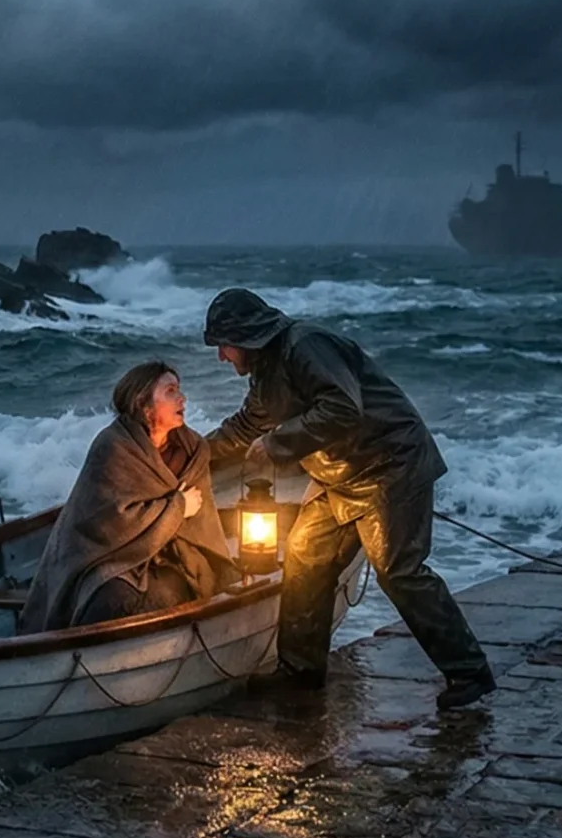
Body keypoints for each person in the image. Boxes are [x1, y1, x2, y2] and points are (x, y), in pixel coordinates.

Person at [200, 287, 497, 709]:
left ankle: (469, 672)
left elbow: (343, 408)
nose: (222, 357)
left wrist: (278, 443)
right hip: (340, 478)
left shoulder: (306, 346)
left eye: (224, 346)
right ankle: (300, 671)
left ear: (245, 336)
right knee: (305, 555)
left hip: (391, 465)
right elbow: (245, 426)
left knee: (399, 571)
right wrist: (193, 455)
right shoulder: (264, 375)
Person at [19, 361, 232, 632]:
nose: (182, 398)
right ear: (144, 404)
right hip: (110, 555)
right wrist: (178, 508)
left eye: (179, 390)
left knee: (181, 589)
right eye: (170, 391)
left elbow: (201, 524)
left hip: (177, 555)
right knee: (107, 601)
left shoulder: (193, 450)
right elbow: (109, 525)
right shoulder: (113, 447)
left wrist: (176, 516)